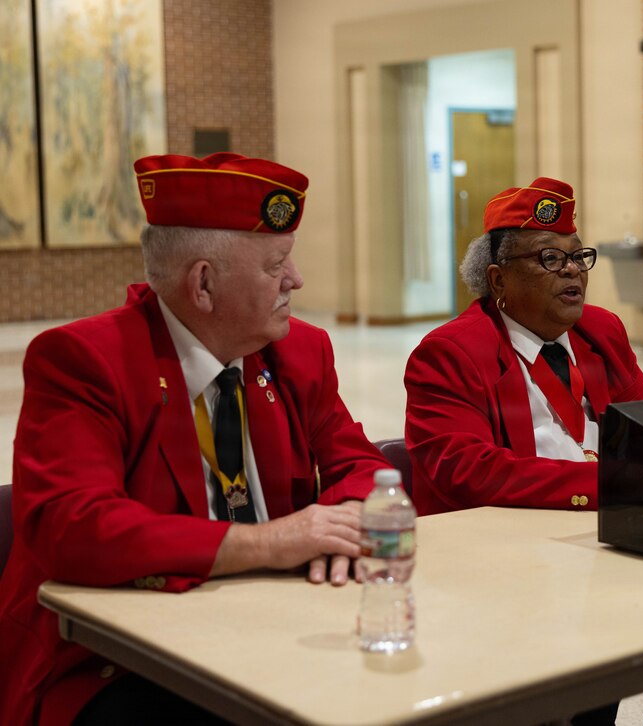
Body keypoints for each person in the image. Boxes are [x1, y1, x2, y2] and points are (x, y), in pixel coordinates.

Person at [0, 153, 391, 725]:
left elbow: (361, 464)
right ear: (203, 284)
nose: (296, 280)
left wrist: (344, 521)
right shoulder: (87, 361)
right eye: (276, 263)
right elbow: (73, 525)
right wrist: (269, 543)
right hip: (118, 659)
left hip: (274, 630)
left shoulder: (299, 351)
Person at [404, 177, 643, 725]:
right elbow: (469, 472)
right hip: (502, 565)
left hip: (601, 543)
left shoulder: (599, 331)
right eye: (550, 257)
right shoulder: (450, 353)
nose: (573, 270)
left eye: (578, 255)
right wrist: (608, 485)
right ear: (497, 278)